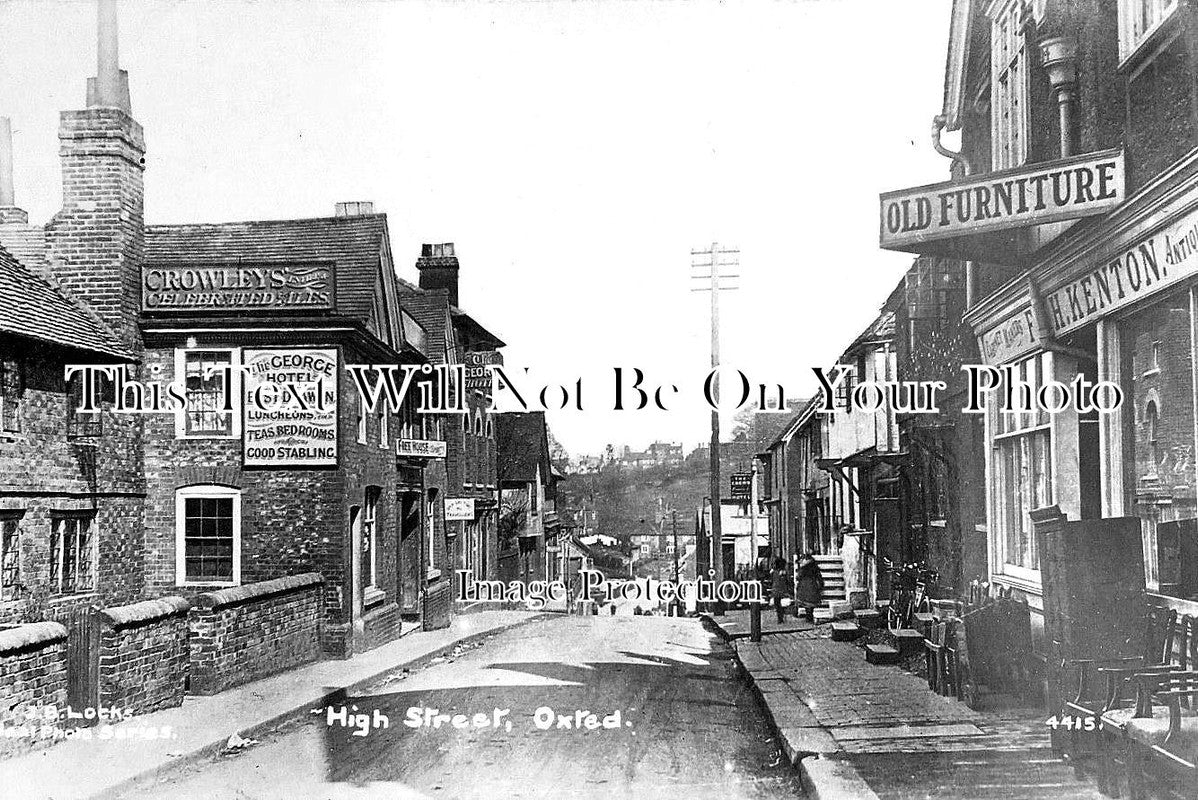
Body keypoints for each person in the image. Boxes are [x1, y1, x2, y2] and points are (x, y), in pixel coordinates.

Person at [796, 553, 824, 621]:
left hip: (804, 586)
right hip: (813, 585)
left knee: (806, 601)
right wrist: (821, 585)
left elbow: (798, 577)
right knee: (811, 602)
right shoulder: (814, 566)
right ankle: (810, 614)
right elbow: (819, 577)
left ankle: (808, 615)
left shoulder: (803, 568)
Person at [770, 557, 791, 623]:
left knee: (777, 604)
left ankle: (780, 618)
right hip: (783, 590)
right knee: (782, 605)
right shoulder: (784, 572)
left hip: (776, 590)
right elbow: (788, 581)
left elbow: (772, 580)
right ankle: (782, 617)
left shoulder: (774, 572)